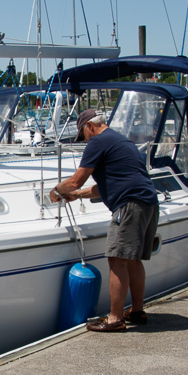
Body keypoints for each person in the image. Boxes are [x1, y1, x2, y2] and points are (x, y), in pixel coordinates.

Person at [49, 108, 159, 333]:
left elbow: (76, 181)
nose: (84, 140)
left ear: (90, 126)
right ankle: (137, 311)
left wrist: (56, 191)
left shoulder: (98, 141)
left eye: (83, 134)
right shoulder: (121, 141)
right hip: (148, 202)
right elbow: (106, 187)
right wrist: (77, 195)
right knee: (133, 259)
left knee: (117, 259)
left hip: (129, 205)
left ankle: (115, 319)